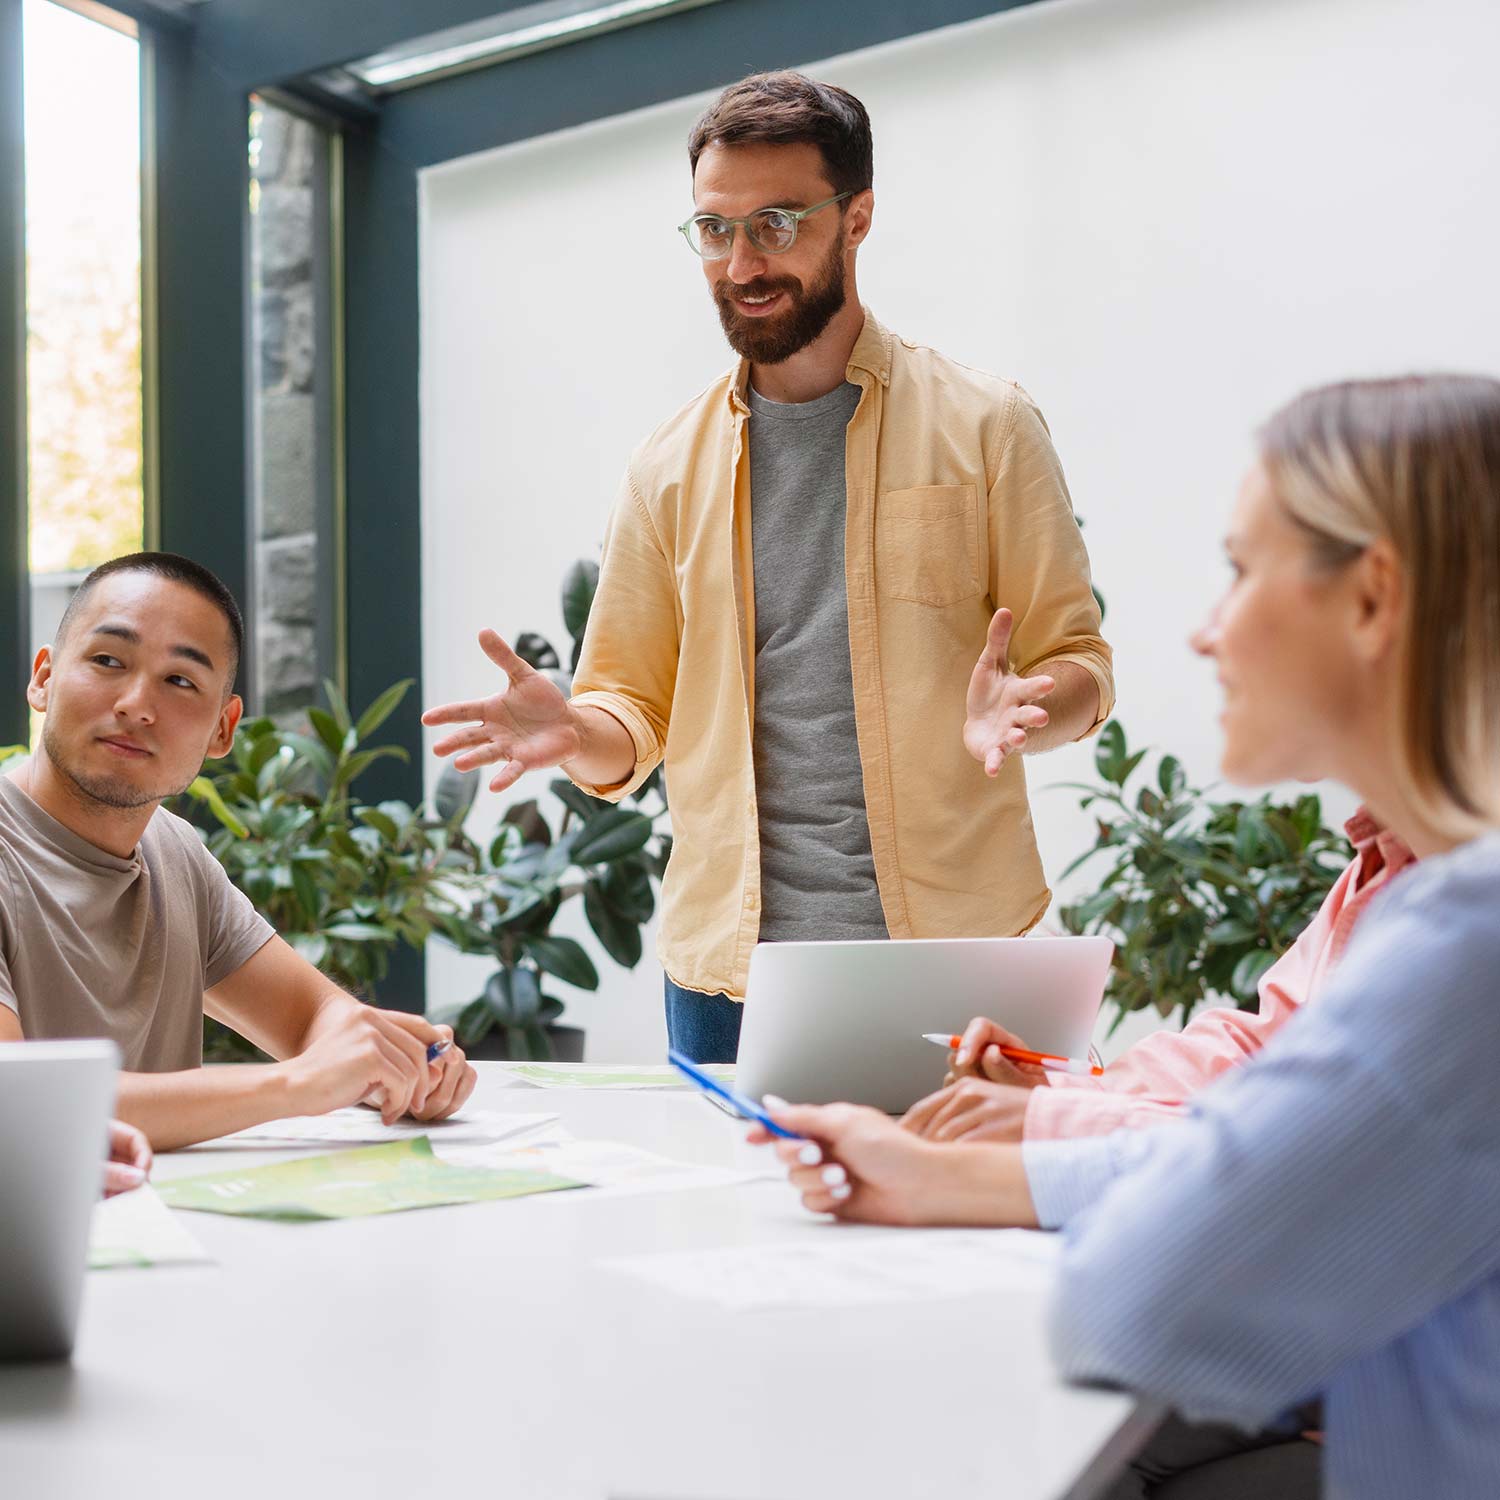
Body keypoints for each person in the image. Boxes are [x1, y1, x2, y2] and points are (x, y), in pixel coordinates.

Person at [757, 376, 1500, 1498]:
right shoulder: (1407, 873)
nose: (1206, 631)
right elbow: (1274, 1094)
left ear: (1373, 599)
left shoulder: (1470, 936)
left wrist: (1014, 1150)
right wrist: (973, 1161)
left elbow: (1142, 1297)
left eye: (1243, 572)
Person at [424, 71, 1114, 1062]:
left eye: (777, 223)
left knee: (983, 1215)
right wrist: (573, 731)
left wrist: (1035, 701)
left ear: (858, 216)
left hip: (957, 957)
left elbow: (1081, 661)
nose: (740, 261)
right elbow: (628, 713)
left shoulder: (986, 424)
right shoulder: (666, 467)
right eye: (714, 229)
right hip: (729, 981)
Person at [0, 552, 476, 1152]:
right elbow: (15, 1104)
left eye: (180, 681)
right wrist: (300, 1083)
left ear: (223, 730)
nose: (136, 705)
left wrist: (390, 1059)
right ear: (43, 676)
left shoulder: (173, 853)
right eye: (107, 660)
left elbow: (310, 1016)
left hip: (176, 1229)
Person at [902, 807, 1414, 1145]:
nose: (1205, 639)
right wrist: (1049, 1095)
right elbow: (1263, 1051)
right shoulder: (1382, 863)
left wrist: (1050, 1123)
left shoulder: (1465, 886)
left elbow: (1325, 1132)